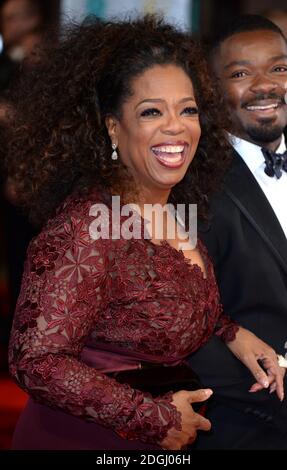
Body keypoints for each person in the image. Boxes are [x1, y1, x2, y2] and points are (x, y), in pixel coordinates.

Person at [7, 15, 284, 451]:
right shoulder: (88, 226)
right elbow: (35, 362)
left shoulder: (180, 208)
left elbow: (170, 300)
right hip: (88, 439)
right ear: (113, 127)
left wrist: (232, 333)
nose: (176, 127)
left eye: (187, 109)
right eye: (151, 111)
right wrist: (150, 417)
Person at [189, 15, 287, 449]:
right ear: (212, 90)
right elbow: (185, 325)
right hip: (248, 424)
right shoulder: (191, 184)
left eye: (279, 68)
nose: (265, 85)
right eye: (241, 73)